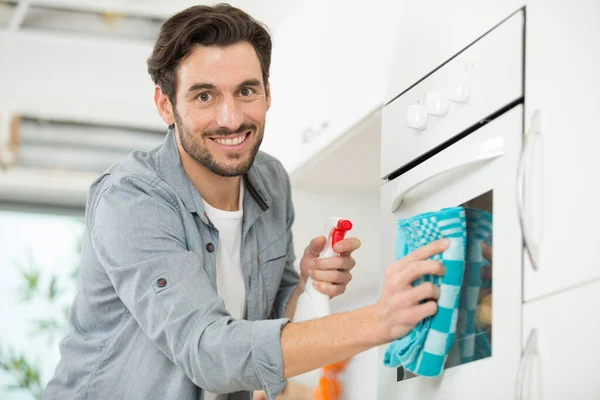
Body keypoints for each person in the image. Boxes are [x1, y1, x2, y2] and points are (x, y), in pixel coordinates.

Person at [43, 4, 447, 400]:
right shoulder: (131, 200)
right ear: (166, 105)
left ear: (268, 94)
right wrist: (379, 320)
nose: (231, 118)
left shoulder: (270, 182)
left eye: (246, 91)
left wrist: (307, 287)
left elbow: (271, 326)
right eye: (204, 96)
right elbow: (210, 353)